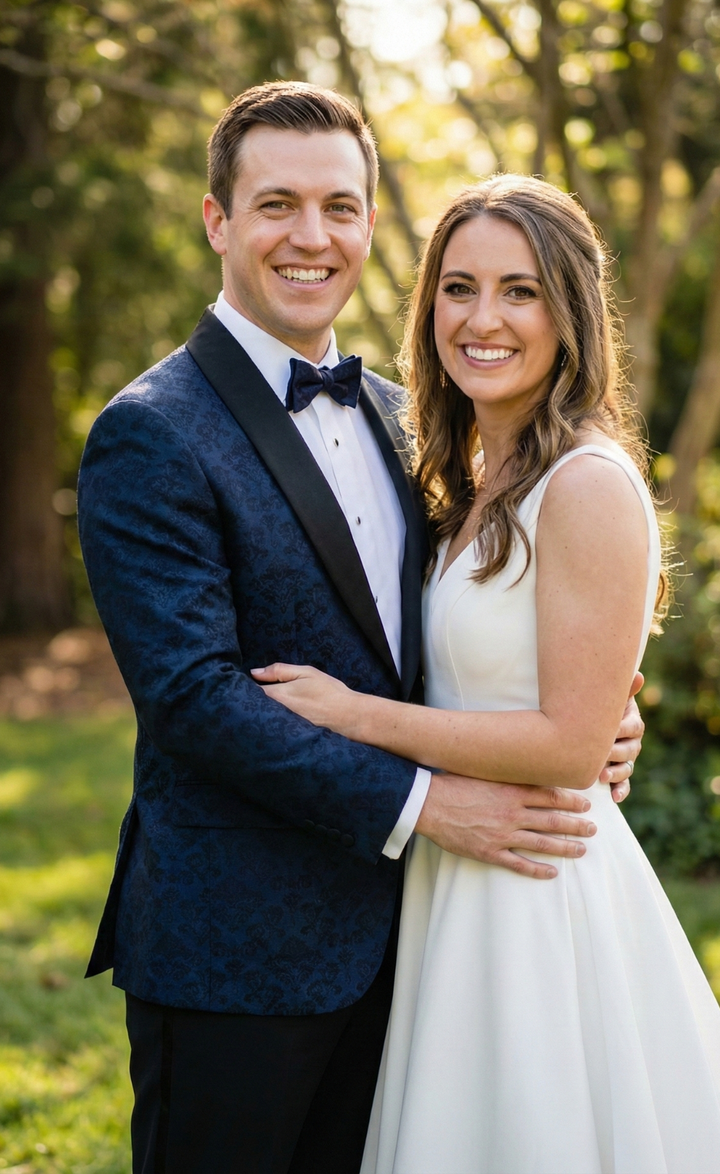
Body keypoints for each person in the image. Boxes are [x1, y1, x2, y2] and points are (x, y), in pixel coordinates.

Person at [78, 85, 642, 1174]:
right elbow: (196, 699)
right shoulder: (150, 433)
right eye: (276, 203)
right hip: (239, 946)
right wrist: (430, 806)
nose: (310, 236)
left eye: (339, 206)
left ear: (371, 225)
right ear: (217, 221)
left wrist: (601, 718)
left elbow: (493, 617)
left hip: (418, 947)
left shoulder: (411, 419)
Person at [253, 174, 720, 1173]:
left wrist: (357, 715)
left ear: (570, 312)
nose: (483, 317)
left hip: (535, 888)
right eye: (458, 287)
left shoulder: (586, 482)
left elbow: (569, 742)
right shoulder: (464, 479)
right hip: (450, 874)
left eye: (520, 291)